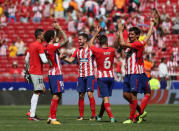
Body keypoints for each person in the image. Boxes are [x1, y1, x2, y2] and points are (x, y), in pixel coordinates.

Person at [117, 18, 155, 124]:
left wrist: (120, 30)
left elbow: (122, 43)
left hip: (135, 73)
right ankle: (140, 111)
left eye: (132, 34)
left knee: (134, 96)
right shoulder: (129, 46)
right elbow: (118, 45)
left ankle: (131, 118)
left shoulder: (137, 44)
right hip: (128, 74)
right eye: (129, 34)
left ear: (137, 36)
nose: (130, 36)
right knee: (125, 95)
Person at [64, 33, 96, 121]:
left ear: (85, 40)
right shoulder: (77, 50)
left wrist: (96, 33)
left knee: (90, 94)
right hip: (81, 76)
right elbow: (70, 60)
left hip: (90, 75)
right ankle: (81, 115)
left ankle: (93, 115)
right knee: (81, 95)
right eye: (78, 39)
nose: (79, 41)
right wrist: (63, 58)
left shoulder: (91, 49)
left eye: (80, 39)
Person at [88, 26, 115, 123]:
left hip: (102, 77)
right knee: (105, 97)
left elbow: (89, 43)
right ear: (107, 41)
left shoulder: (97, 50)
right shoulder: (112, 50)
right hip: (111, 77)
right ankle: (100, 115)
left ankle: (111, 117)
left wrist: (96, 33)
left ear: (99, 43)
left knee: (105, 98)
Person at [44, 22, 68, 125]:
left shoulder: (49, 46)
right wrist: (60, 28)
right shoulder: (51, 47)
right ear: (51, 38)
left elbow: (57, 40)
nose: (55, 37)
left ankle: (50, 117)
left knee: (57, 95)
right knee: (56, 96)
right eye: (54, 36)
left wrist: (57, 30)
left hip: (53, 72)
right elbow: (66, 40)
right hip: (55, 73)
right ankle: (53, 118)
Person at [25, 29, 48, 121]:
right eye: (43, 35)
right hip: (37, 72)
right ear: (38, 36)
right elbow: (44, 60)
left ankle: (31, 112)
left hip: (32, 71)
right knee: (37, 92)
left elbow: (26, 59)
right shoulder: (39, 46)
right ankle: (32, 115)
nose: (44, 36)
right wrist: (49, 59)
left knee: (41, 90)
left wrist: (27, 70)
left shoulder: (31, 45)